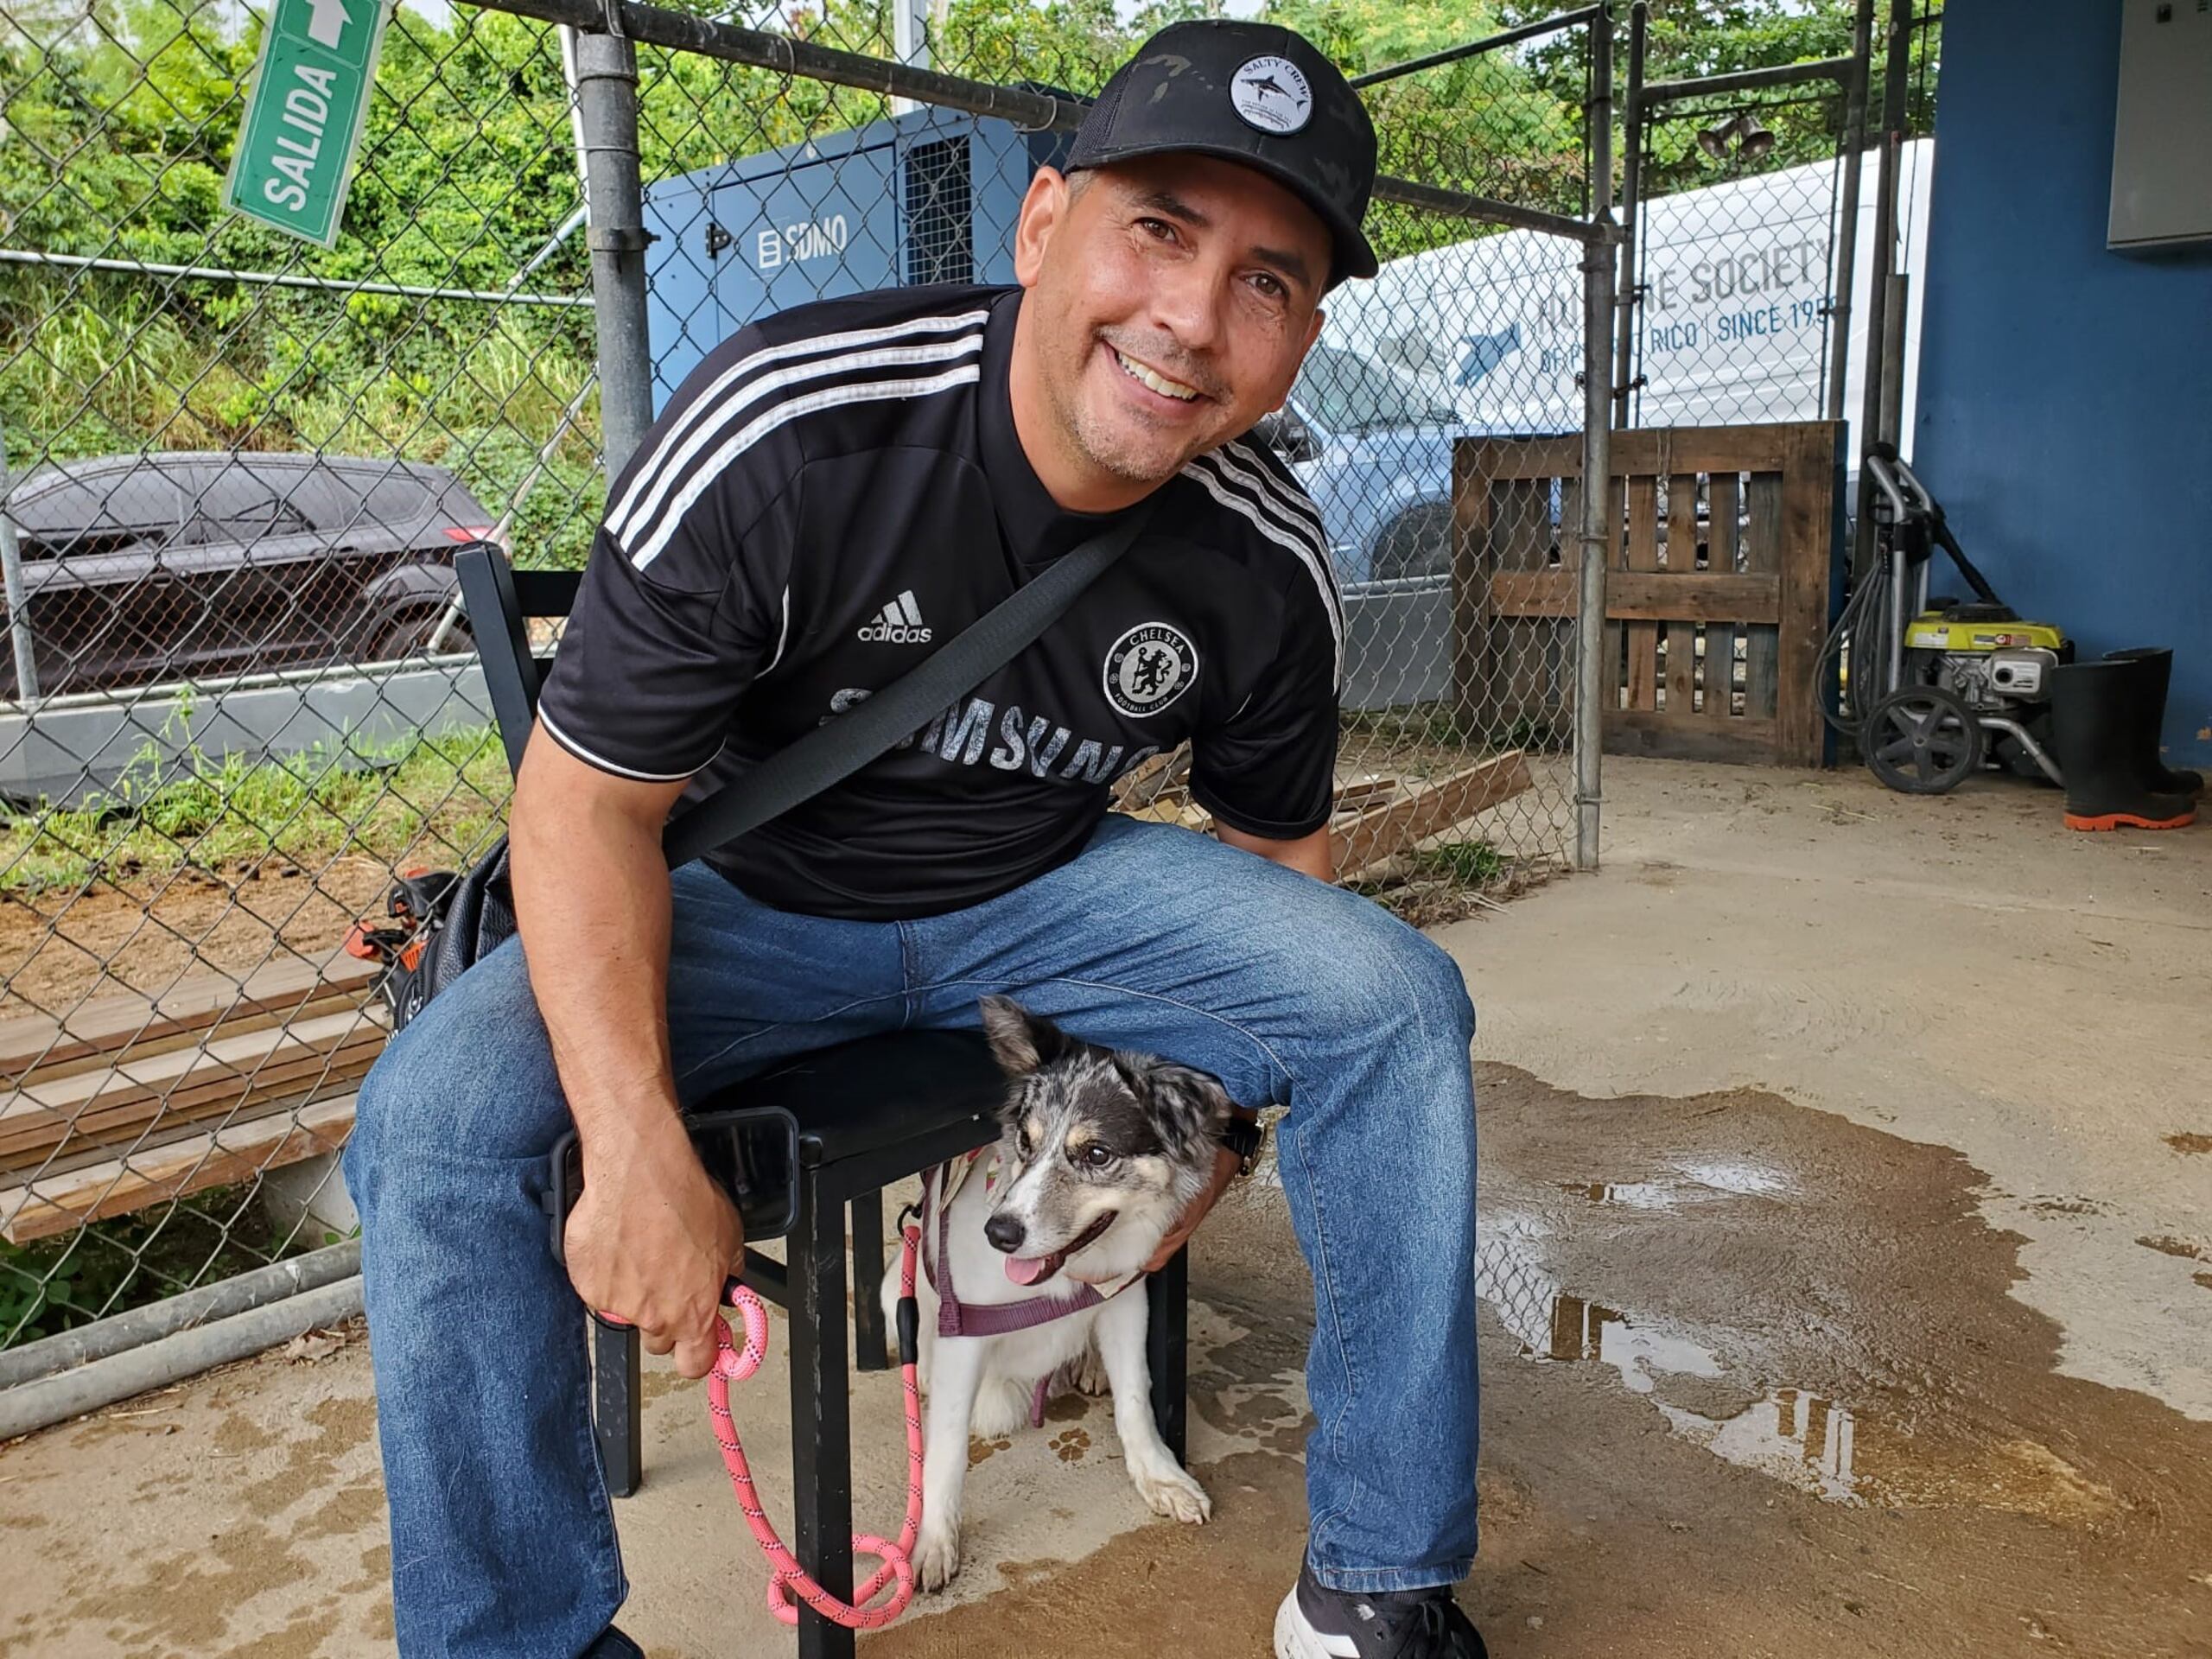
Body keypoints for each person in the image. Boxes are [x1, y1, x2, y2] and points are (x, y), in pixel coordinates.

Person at [344, 20, 1484, 1659]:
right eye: (1159, 228)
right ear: (1042, 225)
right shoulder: (794, 424)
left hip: (1044, 894)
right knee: (438, 1123)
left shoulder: (1261, 546)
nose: (1191, 318)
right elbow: (583, 802)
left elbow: (1276, 873)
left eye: (1268, 280)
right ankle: (521, 1639)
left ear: (1303, 331)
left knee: (1396, 1002)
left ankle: (1375, 1582)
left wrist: (1210, 1148)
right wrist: (639, 1138)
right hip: (741, 901)